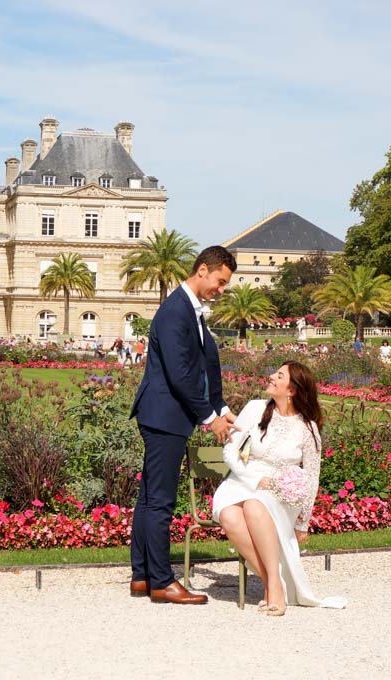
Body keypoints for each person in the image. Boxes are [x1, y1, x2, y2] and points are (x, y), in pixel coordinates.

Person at [129, 246, 238, 605]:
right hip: (165, 416)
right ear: (203, 269)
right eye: (220, 282)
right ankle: (161, 581)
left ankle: (143, 576)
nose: (221, 290)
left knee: (149, 499)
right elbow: (180, 375)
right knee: (160, 501)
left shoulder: (192, 310)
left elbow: (205, 364)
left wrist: (221, 405)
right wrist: (211, 419)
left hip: (165, 414)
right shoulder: (177, 310)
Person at [214, 361, 348, 615]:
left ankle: (274, 588)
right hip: (242, 481)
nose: (271, 377)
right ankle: (273, 583)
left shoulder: (307, 429)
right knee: (229, 515)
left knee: (254, 506)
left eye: (279, 375)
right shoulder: (255, 409)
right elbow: (231, 452)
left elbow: (312, 477)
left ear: (292, 390)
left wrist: (302, 523)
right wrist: (253, 480)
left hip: (278, 494)